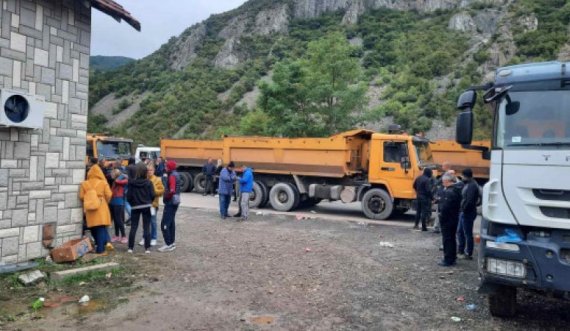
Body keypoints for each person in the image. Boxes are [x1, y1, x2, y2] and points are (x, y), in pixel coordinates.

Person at [79, 164, 113, 255]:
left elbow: (81, 196)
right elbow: (109, 195)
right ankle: (101, 249)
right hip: (101, 207)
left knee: (93, 228)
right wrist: (104, 201)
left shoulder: (84, 183)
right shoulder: (103, 182)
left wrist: (90, 198)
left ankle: (100, 244)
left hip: (90, 208)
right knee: (101, 228)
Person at [126, 163, 155, 254]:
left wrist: (132, 203)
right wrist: (149, 201)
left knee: (134, 227)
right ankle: (147, 248)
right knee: (146, 227)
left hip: (135, 206)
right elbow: (153, 195)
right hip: (146, 206)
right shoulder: (149, 183)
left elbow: (128, 196)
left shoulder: (131, 183)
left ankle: (130, 248)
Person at [438, 173, 464, 267]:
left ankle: (448, 259)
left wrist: (441, 215)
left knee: (447, 239)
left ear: (447, 181)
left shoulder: (448, 192)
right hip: (454, 217)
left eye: (443, 181)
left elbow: (445, 207)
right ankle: (452, 258)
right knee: (452, 238)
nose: (442, 183)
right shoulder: (457, 190)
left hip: (447, 219)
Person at [159, 160, 181, 252]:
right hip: (176, 201)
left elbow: (171, 190)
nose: (165, 168)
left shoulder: (172, 176)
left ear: (170, 167)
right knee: (171, 222)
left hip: (170, 202)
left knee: (164, 224)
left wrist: (165, 196)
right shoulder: (176, 174)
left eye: (166, 166)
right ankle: (172, 242)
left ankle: (168, 244)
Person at [140, 163, 164, 247]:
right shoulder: (143, 179)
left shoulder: (157, 179)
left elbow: (161, 191)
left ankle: (154, 238)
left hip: (153, 204)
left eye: (151, 170)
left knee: (153, 222)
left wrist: (152, 190)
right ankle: (144, 237)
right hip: (144, 204)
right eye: (148, 170)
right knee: (144, 222)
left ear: (154, 171)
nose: (149, 172)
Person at [457, 168, 479, 260]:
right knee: (460, 231)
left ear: (466, 176)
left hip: (468, 213)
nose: (461, 177)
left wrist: (463, 209)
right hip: (465, 212)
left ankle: (468, 253)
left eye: (462, 176)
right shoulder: (469, 184)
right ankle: (461, 250)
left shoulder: (472, 185)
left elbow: (469, 200)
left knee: (467, 233)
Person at [109, 169, 128, 244]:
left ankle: (124, 236)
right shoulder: (115, 181)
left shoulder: (122, 180)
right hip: (113, 201)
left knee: (119, 220)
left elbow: (121, 181)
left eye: (113, 173)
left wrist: (119, 176)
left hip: (119, 202)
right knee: (116, 221)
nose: (111, 175)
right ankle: (117, 235)